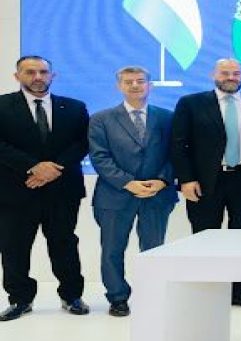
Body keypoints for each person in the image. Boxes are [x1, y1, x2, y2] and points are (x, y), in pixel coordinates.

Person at [169, 58, 241, 309]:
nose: (231, 77)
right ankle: (207, 293)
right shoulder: (191, 103)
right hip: (206, 182)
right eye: (225, 73)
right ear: (213, 75)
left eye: (236, 73)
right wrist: (186, 179)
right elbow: (178, 144)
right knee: (204, 239)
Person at [0, 56, 89, 321]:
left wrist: (53, 169)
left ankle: (71, 296)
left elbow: (83, 143)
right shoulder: (2, 106)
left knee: (64, 244)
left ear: (52, 75)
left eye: (43, 71)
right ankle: (20, 299)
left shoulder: (74, 107)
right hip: (15, 191)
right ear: (17, 76)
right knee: (14, 247)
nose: (37, 77)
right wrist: (33, 167)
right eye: (30, 72)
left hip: (63, 190)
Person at [88, 66, 177, 317]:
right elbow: (100, 157)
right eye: (129, 82)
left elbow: (176, 154)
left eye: (140, 81)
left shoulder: (167, 117)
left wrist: (162, 180)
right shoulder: (101, 119)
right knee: (112, 250)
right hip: (114, 195)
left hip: (157, 194)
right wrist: (128, 183)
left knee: (154, 249)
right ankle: (117, 297)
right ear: (119, 86)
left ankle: (152, 295)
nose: (135, 85)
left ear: (150, 85)